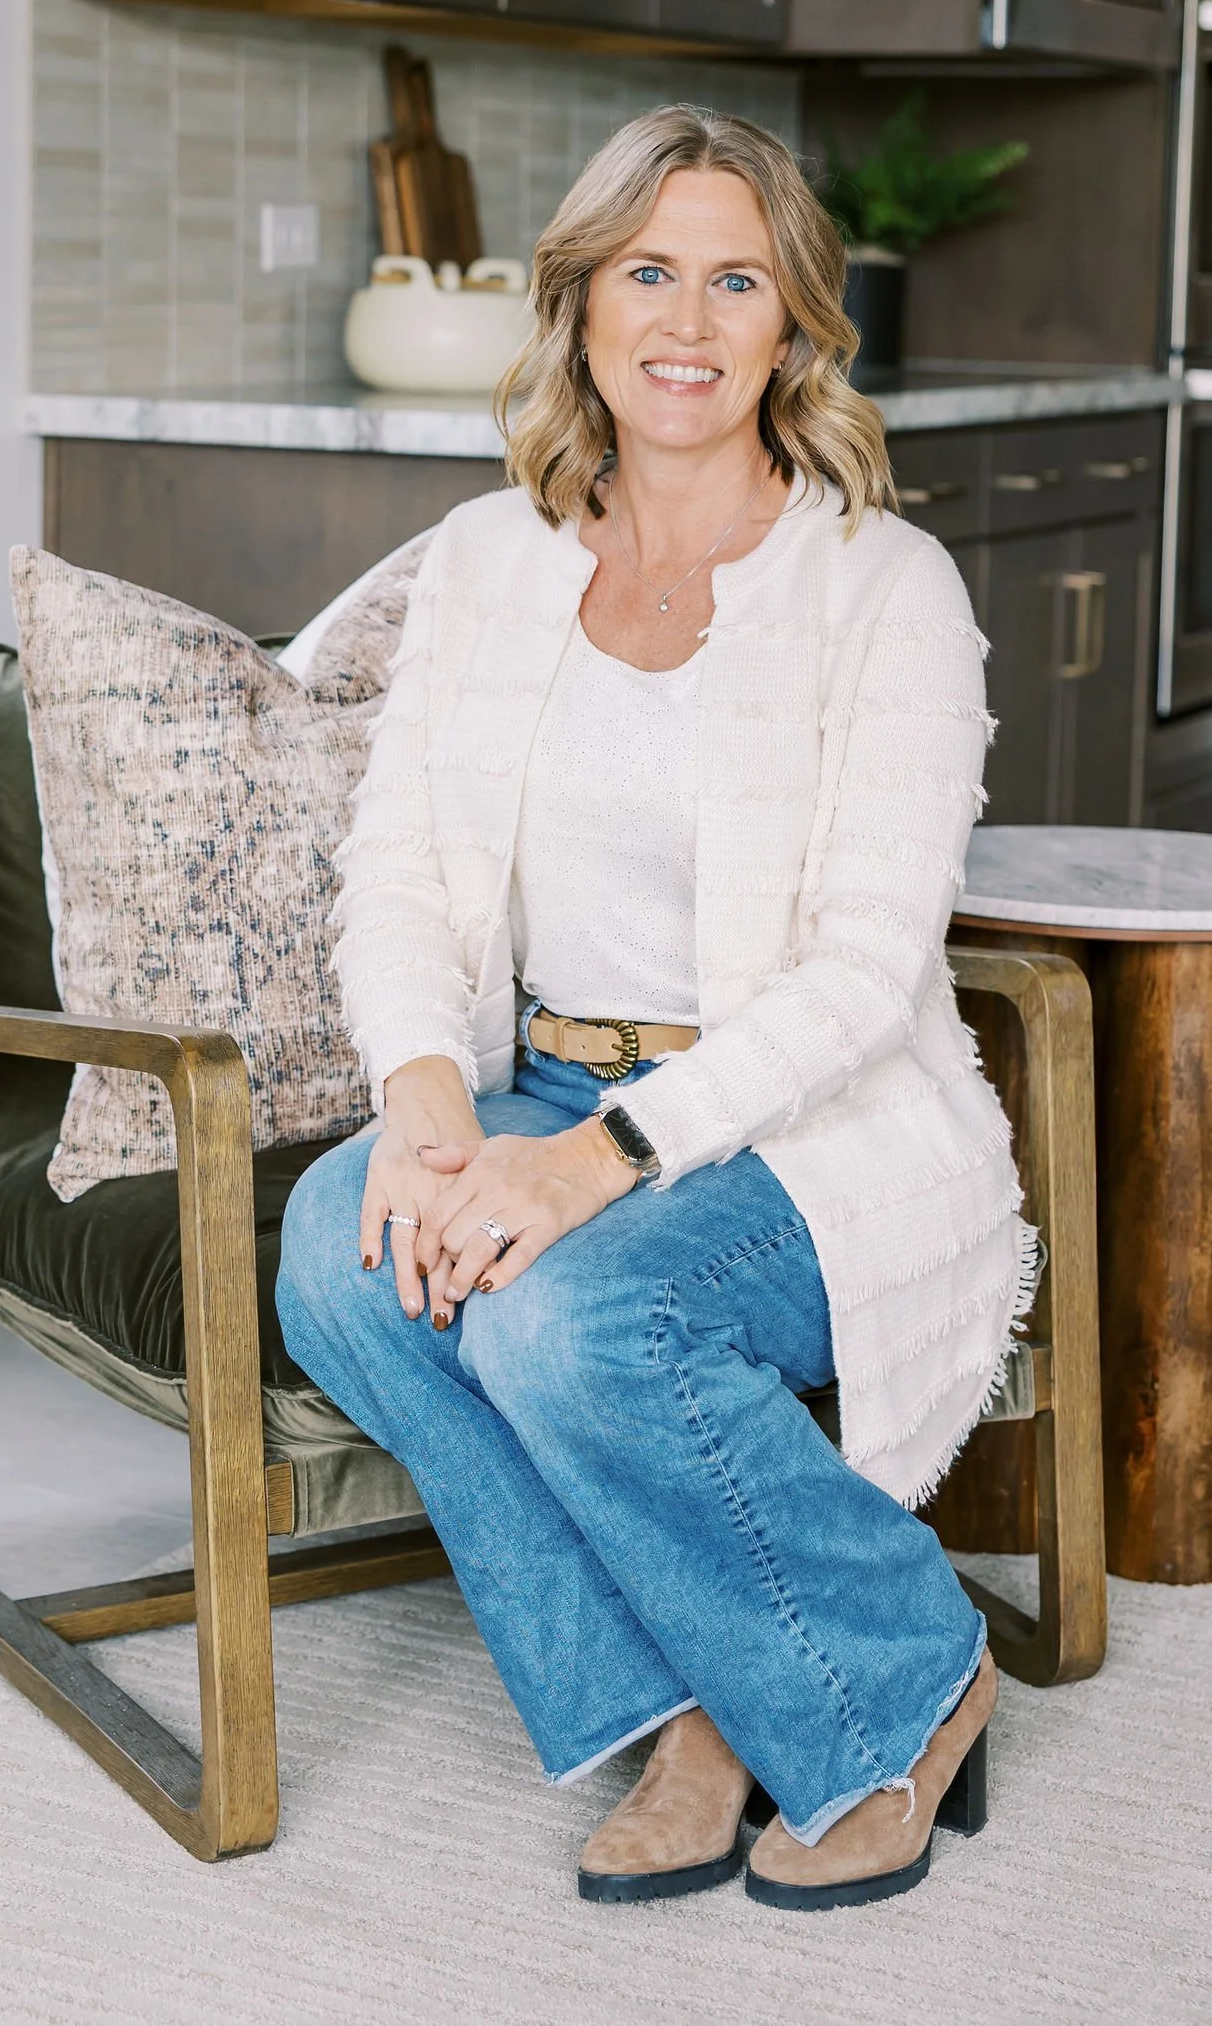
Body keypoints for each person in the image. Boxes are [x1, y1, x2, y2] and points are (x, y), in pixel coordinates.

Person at [277, 106, 1028, 1909]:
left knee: (561, 1325)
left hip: (808, 1128)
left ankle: (901, 1678)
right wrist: (435, 1102)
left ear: (791, 326)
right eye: (647, 270)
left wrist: (595, 1164)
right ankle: (699, 1690)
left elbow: (862, 969)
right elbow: (400, 876)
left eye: (736, 276)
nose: (685, 317)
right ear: (584, 303)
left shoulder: (882, 586)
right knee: (334, 1240)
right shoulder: (483, 560)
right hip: (551, 1074)